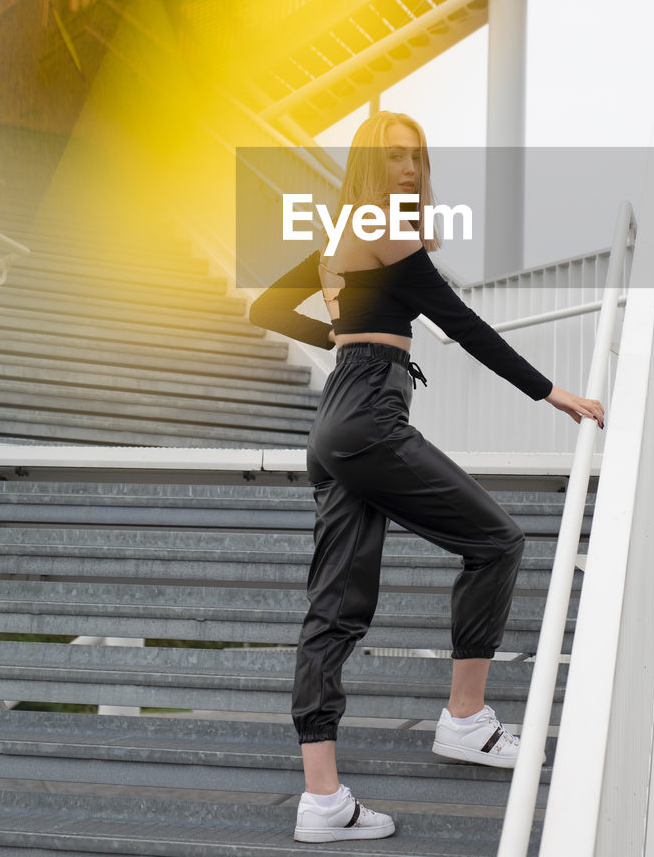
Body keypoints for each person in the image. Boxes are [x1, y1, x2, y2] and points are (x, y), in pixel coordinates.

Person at [248, 111, 604, 843]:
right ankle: (466, 720)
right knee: (497, 541)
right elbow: (462, 323)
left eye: (415, 157)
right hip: (371, 411)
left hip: (336, 419)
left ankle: (322, 802)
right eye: (392, 156)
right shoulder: (384, 227)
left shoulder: (342, 233)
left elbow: (266, 307)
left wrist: (343, 336)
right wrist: (551, 393)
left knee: (333, 610)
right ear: (369, 166)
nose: (407, 169)